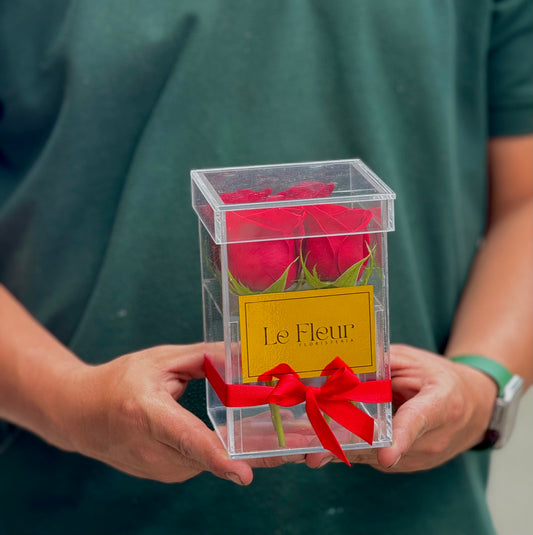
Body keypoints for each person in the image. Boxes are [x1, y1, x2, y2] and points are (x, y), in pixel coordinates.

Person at [0, 1, 531, 534]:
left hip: (416, 510)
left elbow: (525, 202)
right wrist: (68, 404)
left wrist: (484, 385)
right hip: (77, 504)